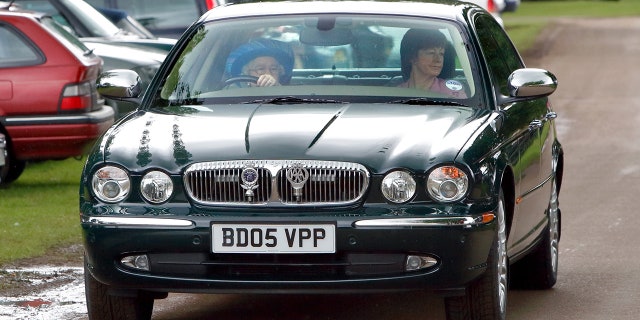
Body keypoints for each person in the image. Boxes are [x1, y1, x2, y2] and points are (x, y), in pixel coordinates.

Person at [399, 28, 467, 98]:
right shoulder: (396, 92)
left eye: (441, 54)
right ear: (412, 57)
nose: (438, 60)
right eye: (431, 53)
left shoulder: (452, 92)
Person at [225, 38, 295, 87]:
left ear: (280, 72)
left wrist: (277, 88)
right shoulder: (233, 96)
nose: (268, 74)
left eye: (274, 69)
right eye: (260, 69)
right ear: (246, 73)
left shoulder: (288, 96)